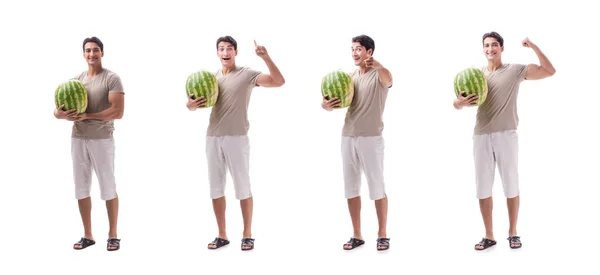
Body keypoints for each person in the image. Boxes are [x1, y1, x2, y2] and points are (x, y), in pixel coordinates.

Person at [453, 32, 556, 250]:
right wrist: (458, 103)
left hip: (506, 134)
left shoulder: (514, 70)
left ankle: (513, 233)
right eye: (486, 45)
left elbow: (549, 71)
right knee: (483, 186)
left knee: (510, 183)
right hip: (481, 135)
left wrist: (534, 46)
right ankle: (489, 236)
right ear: (483, 49)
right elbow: (457, 102)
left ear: (502, 48)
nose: (490, 49)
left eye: (494, 45)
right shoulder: (476, 75)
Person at [187, 36, 285, 251]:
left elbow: (279, 82)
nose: (225, 52)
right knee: (216, 188)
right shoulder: (210, 78)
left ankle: (247, 235)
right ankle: (222, 235)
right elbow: (194, 105)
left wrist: (266, 57)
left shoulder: (247, 74)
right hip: (212, 137)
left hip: (237, 138)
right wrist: (190, 105)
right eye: (221, 49)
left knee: (242, 187)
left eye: (229, 48)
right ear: (217, 53)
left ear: (236, 52)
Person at [321, 35, 393, 251]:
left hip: (371, 138)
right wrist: (326, 106)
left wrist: (379, 65)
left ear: (369, 52)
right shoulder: (349, 78)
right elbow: (338, 103)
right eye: (352, 49)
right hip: (348, 137)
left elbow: (389, 79)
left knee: (377, 187)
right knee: (351, 188)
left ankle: (382, 234)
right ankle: (357, 235)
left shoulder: (379, 75)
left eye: (358, 49)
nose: (354, 53)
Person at [54, 36, 125, 251]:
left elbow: (118, 112)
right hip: (78, 139)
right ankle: (88, 235)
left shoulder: (112, 79)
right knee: (81, 187)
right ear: (83, 54)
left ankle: (113, 235)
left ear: (102, 53)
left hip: (102, 139)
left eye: (95, 50)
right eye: (88, 51)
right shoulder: (76, 80)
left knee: (108, 187)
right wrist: (60, 113)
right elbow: (58, 111)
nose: (91, 54)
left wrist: (88, 116)